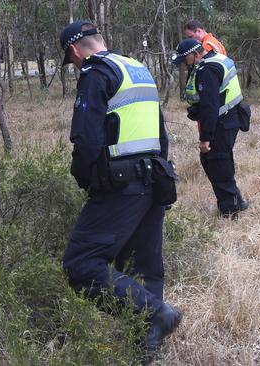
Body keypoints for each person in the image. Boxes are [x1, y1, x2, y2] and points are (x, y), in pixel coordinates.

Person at [58, 20, 181, 357]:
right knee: (144, 268)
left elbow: (86, 139)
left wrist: (85, 179)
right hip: (155, 179)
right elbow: (160, 133)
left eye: (72, 62)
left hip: (119, 186)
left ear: (74, 51)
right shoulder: (136, 68)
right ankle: (146, 349)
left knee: (81, 264)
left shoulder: (95, 73)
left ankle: (158, 315)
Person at [172, 39, 248, 218]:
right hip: (231, 118)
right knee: (217, 161)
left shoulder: (207, 70)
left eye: (185, 59)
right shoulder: (217, 59)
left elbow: (210, 106)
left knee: (217, 163)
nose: (184, 63)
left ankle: (230, 210)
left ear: (196, 54)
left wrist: (205, 138)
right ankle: (236, 201)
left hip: (222, 121)